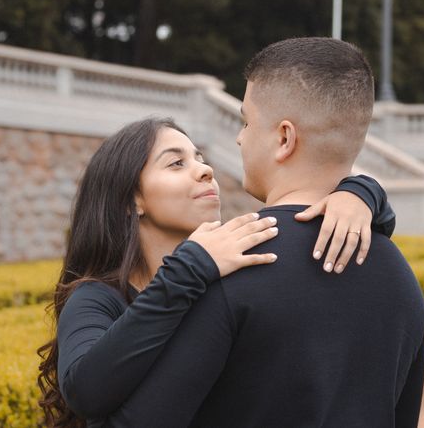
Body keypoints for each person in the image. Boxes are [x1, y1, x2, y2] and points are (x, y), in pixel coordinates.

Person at [106, 38, 424, 427]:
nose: (239, 137)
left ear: (284, 138)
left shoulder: (231, 267)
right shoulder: (402, 279)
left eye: (246, 121)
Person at [37, 116, 395, 428]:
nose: (205, 170)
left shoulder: (227, 273)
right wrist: (189, 269)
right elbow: (85, 392)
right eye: (176, 163)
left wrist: (362, 191)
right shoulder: (96, 298)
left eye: (200, 158)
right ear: (134, 201)